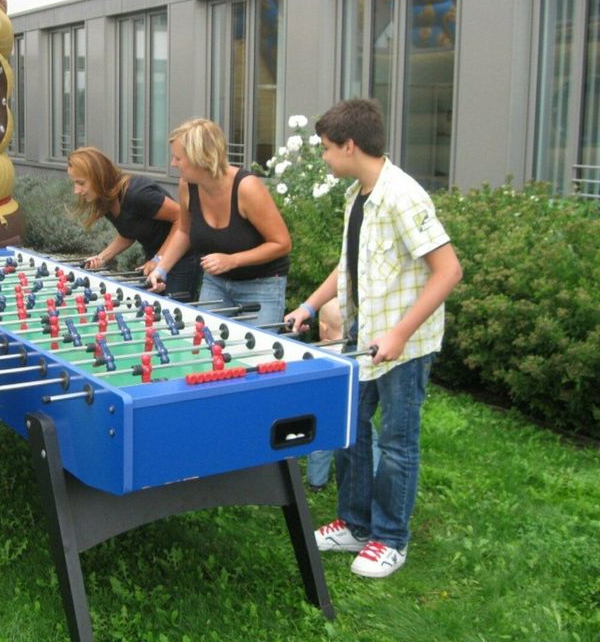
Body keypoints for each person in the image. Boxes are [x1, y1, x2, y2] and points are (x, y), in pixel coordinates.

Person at [285, 98, 462, 579]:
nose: (322, 156)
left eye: (325, 148)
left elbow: (448, 271)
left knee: (399, 442)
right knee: (351, 427)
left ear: (349, 144)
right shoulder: (359, 194)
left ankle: (391, 538)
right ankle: (357, 524)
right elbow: (350, 265)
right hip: (364, 334)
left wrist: (401, 334)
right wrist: (310, 304)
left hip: (406, 341)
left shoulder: (404, 196)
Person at [145, 118, 292, 326]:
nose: (173, 164)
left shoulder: (247, 188)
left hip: (261, 285)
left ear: (200, 158)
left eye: (178, 158)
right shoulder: (188, 185)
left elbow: (282, 244)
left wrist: (232, 260)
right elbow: (184, 232)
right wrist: (161, 269)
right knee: (207, 346)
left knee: (253, 357)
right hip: (215, 283)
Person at [67, 146, 201, 300]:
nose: (76, 190)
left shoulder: (137, 193)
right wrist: (101, 258)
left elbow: (182, 219)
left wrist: (159, 259)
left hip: (183, 258)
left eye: (81, 183)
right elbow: (129, 232)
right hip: (155, 258)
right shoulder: (106, 200)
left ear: (99, 177)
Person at [305, 299, 380, 491]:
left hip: (324, 409)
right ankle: (375, 473)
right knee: (369, 436)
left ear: (323, 328)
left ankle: (317, 481)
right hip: (355, 406)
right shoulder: (358, 353)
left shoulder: (316, 352)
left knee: (320, 443)